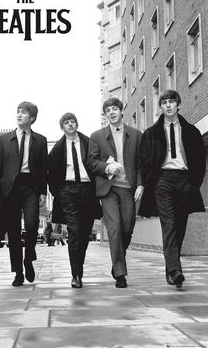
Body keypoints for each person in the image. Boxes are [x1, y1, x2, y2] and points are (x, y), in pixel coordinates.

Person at [138, 89, 206, 288]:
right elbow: (143, 160)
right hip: (163, 181)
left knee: (180, 226)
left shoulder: (191, 131)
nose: (167, 105)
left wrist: (194, 182)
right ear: (161, 107)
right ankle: (175, 270)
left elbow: (200, 159)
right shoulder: (151, 133)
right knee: (168, 225)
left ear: (178, 105)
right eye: (164, 102)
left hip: (185, 181)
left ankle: (171, 267)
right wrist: (152, 181)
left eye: (171, 102)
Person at [88, 98, 144, 288]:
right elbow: (92, 163)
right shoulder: (97, 136)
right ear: (105, 115)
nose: (111, 112)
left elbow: (140, 164)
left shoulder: (136, 135)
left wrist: (141, 185)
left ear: (121, 111)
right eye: (107, 110)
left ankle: (119, 257)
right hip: (108, 189)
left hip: (128, 188)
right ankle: (120, 273)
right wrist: (107, 167)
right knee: (114, 228)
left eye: (114, 109)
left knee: (127, 227)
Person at [0, 101, 47, 287]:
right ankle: (18, 272)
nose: (19, 115)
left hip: (30, 186)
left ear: (32, 118)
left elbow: (43, 169)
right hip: (9, 189)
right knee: (13, 231)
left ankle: (28, 256)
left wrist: (42, 192)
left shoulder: (41, 140)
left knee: (32, 224)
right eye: (18, 112)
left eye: (23, 113)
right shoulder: (3, 140)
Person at [47, 113, 102, 289]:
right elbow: (51, 174)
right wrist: (60, 192)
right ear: (62, 127)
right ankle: (76, 275)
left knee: (85, 233)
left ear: (77, 124)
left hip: (87, 190)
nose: (70, 125)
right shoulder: (57, 149)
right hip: (68, 191)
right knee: (74, 231)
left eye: (72, 122)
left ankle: (79, 267)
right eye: (66, 123)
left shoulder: (88, 142)